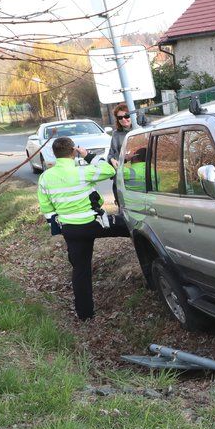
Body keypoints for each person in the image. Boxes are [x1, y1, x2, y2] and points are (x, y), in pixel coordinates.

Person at [37, 136, 130, 320]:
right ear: (73, 151)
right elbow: (109, 169)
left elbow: (46, 208)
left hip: (71, 230)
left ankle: (85, 314)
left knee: (80, 270)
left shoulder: (45, 177)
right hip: (94, 224)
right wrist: (88, 156)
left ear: (55, 154)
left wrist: (58, 227)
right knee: (130, 226)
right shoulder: (82, 171)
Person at [107, 103, 133, 203]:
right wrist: (112, 160)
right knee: (122, 205)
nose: (123, 119)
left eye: (126, 116)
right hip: (121, 176)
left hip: (137, 174)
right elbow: (111, 153)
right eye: (120, 117)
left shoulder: (140, 129)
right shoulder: (116, 134)